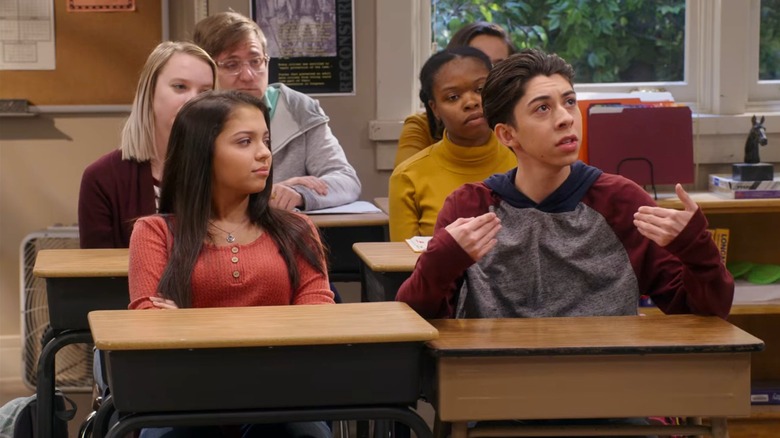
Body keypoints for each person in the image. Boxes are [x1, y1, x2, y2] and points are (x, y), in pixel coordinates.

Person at [396, 48, 734, 321]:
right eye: (542, 108)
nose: (565, 118)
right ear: (507, 134)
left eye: (569, 102)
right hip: (498, 391)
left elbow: (704, 312)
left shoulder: (621, 201)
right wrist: (442, 260)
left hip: (608, 390)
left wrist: (697, 250)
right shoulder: (469, 206)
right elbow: (418, 316)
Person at [128, 90, 333, 437]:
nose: (264, 153)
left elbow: (315, 317)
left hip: (281, 395)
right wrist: (272, 326)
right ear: (202, 153)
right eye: (244, 141)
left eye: (265, 140)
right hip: (184, 398)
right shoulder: (154, 232)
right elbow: (150, 325)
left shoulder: (298, 229)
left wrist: (190, 325)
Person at [193, 11, 361, 212]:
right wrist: (268, 194)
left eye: (256, 61)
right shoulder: (191, 114)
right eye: (232, 64)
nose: (248, 76)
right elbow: (188, 193)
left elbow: (346, 179)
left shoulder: (297, 108)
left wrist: (298, 193)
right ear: (206, 69)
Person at [78, 41, 215, 248]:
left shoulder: (226, 170)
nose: (193, 101)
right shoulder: (102, 178)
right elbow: (97, 273)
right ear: (149, 91)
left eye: (205, 92)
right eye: (180, 87)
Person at [388, 47, 516, 241]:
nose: (471, 102)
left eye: (480, 89)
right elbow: (402, 263)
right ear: (435, 108)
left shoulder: (526, 160)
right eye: (453, 97)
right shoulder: (408, 176)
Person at [394, 22, 516, 167]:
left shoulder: (520, 118)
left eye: (498, 65)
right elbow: (407, 177)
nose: (490, 74)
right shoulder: (422, 126)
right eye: (476, 62)